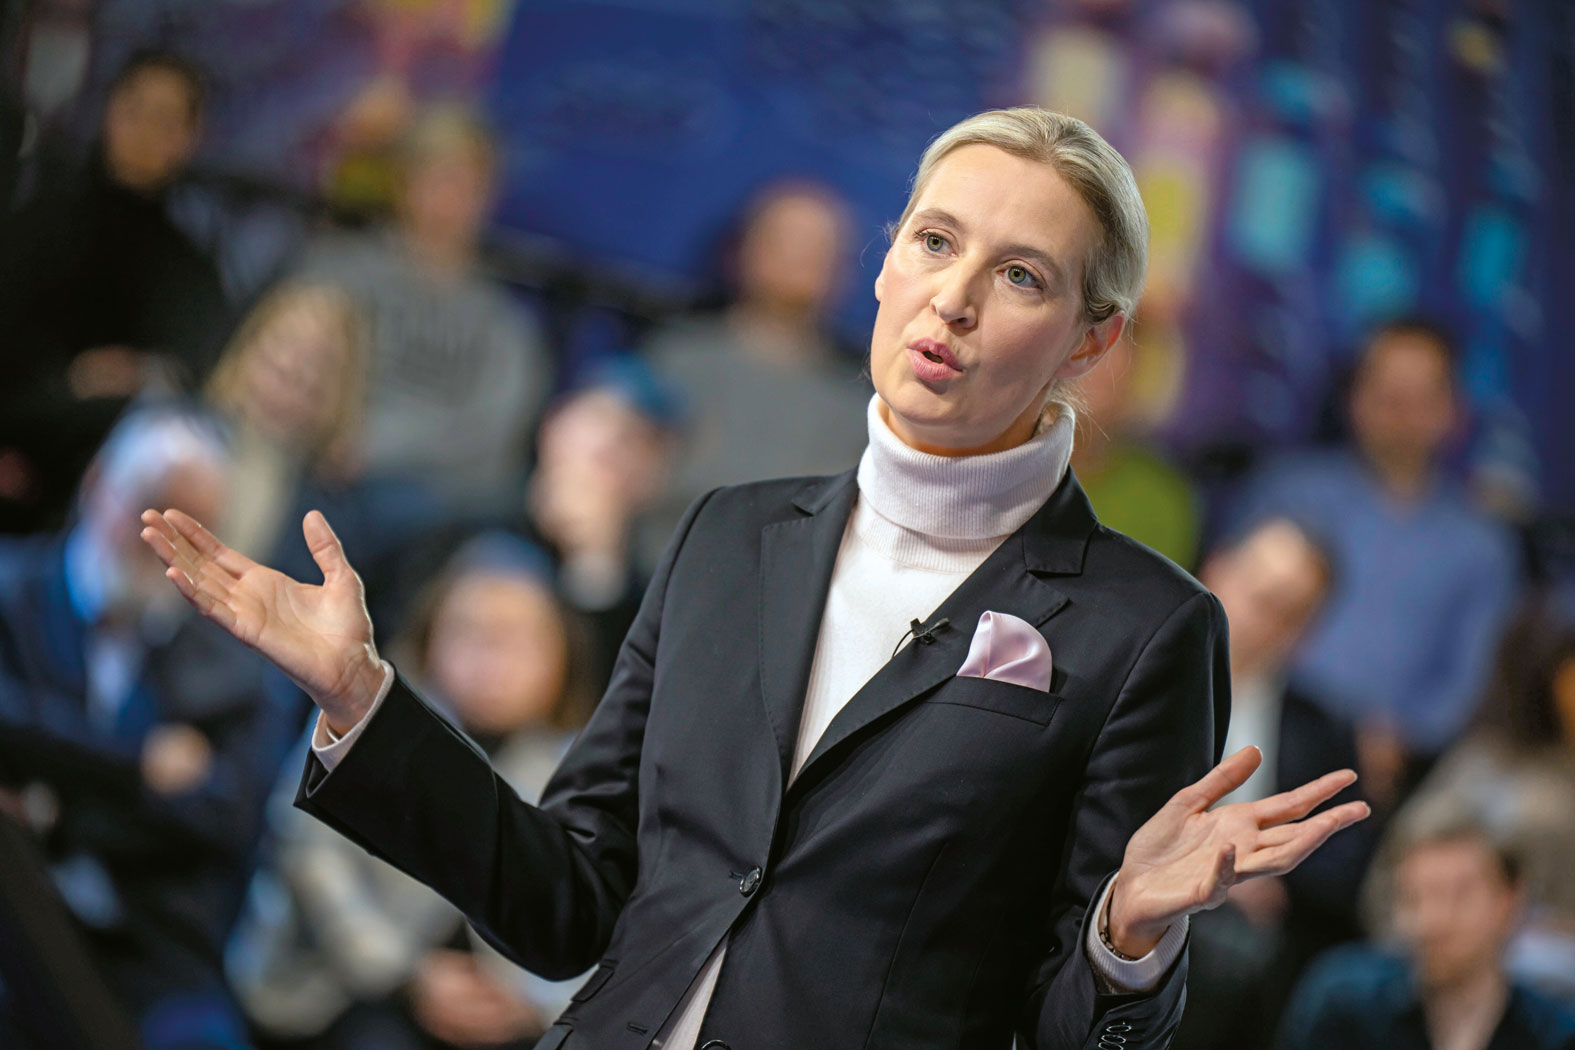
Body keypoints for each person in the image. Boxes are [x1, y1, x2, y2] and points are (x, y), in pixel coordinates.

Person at [142, 108, 1369, 1050]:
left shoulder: (1147, 629)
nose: (953, 298)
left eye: (1021, 275)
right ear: (885, 266)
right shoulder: (730, 535)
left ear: (1090, 342)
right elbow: (571, 902)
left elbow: (1069, 1030)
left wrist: (1127, 943)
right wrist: (364, 700)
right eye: (936, 242)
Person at [0, 407, 300, 1050]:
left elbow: (226, 817)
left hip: (149, 942)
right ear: (96, 483)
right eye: (151, 504)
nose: (160, 541)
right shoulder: (10, 591)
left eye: (192, 528)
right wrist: (136, 764)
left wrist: (50, 804)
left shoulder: (234, 664)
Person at [228, 534, 592, 1050]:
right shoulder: (365, 714)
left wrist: (529, 1002)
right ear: (430, 637)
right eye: (470, 633)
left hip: (509, 1006)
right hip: (344, 989)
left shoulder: (581, 766)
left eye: (518, 640)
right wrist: (406, 974)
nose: (492, 662)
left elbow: (591, 910)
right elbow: (308, 852)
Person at [1232, 318, 1519, 796]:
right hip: (1261, 727)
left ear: (1454, 409)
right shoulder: (1288, 492)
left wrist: (1402, 736)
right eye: (1388, 391)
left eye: (1421, 394)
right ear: (1354, 397)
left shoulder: (1483, 543)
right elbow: (1226, 611)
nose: (1401, 409)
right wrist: (1316, 725)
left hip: (1398, 767)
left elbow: (1469, 676)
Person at [0, 49, 231, 534]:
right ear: (109, 111)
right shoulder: (37, 213)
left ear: (188, 137)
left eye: (164, 118)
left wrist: (137, 372)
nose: (144, 129)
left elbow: (195, 374)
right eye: (134, 109)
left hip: (101, 475)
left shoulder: (188, 267)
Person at [292, 104, 551, 521]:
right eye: (437, 177)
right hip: (319, 468)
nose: (450, 198)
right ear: (402, 182)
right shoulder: (338, 270)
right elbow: (286, 363)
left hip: (434, 500)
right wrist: (331, 435)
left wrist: (375, 447)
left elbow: (494, 432)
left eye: (467, 183)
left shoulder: (505, 325)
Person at [641, 179, 870, 567]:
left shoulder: (858, 408)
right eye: (786, 241)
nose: (800, 259)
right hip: (660, 573)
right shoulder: (673, 362)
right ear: (743, 250)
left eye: (819, 249)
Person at [1277, 817, 1575, 1050]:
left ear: (1511, 899)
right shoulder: (1343, 1001)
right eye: (1413, 899)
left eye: (1459, 896)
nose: (1431, 920)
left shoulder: (1554, 1033)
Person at [1069, 338, 1200, 568]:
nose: (1101, 359)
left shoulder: (1160, 497)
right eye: (1082, 333)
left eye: (1120, 339)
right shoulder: (1004, 472)